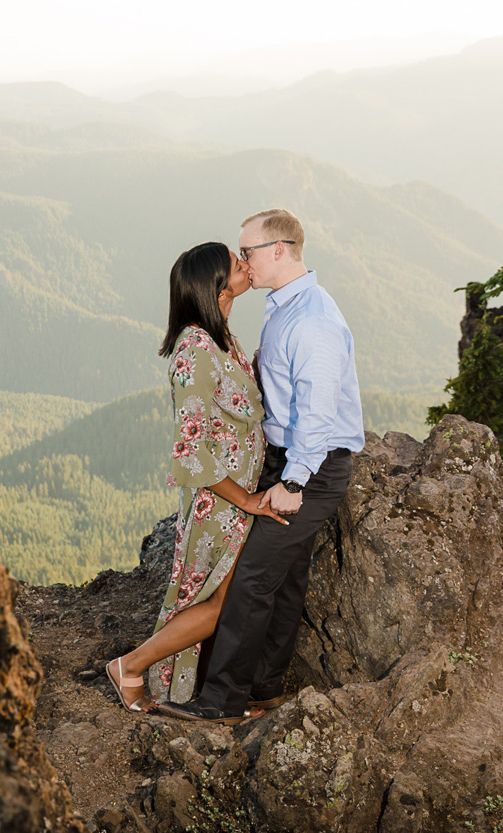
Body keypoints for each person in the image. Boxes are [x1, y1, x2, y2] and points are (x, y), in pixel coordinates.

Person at [175, 208, 365, 725]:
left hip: (312, 468)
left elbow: (320, 411)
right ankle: (264, 686)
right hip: (289, 460)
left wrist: (294, 481)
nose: (242, 261)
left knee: (253, 579)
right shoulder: (285, 306)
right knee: (285, 577)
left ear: (278, 250)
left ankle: (221, 701)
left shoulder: (313, 321)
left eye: (248, 252)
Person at [106, 241, 287, 714]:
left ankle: (196, 685)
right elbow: (189, 451)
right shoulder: (195, 350)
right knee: (221, 602)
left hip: (234, 497)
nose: (245, 265)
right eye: (235, 263)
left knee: (224, 598)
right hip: (219, 505)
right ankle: (130, 665)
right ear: (217, 284)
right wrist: (246, 500)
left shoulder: (222, 336)